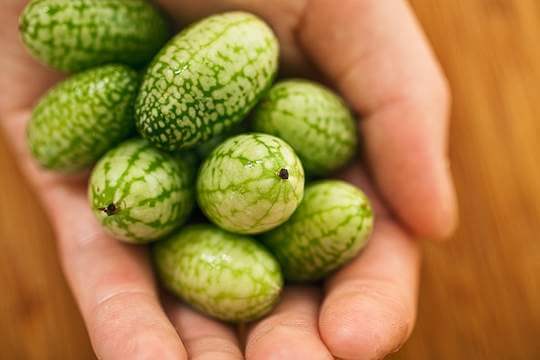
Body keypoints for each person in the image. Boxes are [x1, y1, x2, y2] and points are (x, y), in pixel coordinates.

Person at [0, 1, 457, 359]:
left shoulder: (263, 137)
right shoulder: (145, 115)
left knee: (281, 178)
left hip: (224, 172)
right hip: (173, 161)